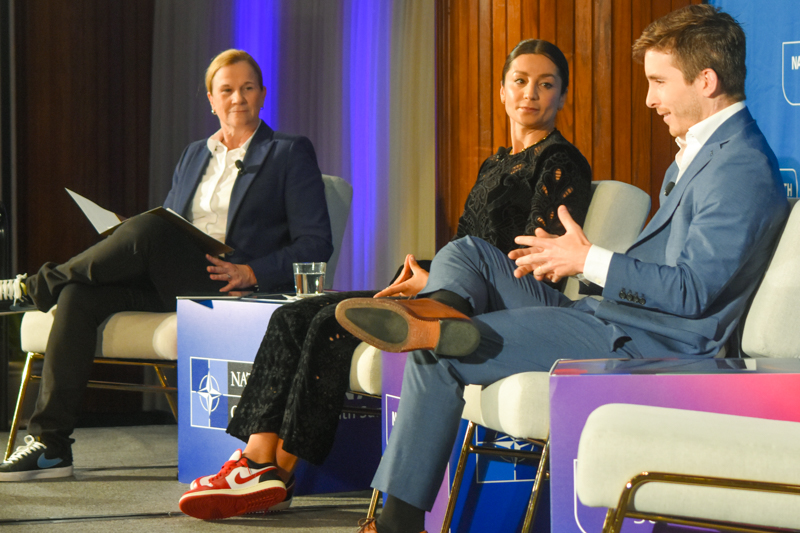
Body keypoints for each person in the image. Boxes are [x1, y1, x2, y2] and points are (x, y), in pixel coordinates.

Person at [335, 6, 791, 533]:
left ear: (706, 81)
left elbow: (694, 291)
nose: (649, 99)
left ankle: (398, 522)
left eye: (658, 82)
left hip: (645, 342)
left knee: (439, 349)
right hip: (610, 316)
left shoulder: (739, 166)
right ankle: (443, 306)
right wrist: (580, 260)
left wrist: (590, 260)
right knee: (467, 253)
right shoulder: (707, 152)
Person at [177, 39, 593, 520]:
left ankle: (278, 471)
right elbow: (466, 242)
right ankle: (256, 458)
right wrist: (429, 274)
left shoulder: (561, 162)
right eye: (520, 82)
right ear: (501, 92)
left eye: (546, 85)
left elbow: (538, 257)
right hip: (460, 288)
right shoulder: (494, 163)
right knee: (297, 315)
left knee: (332, 324)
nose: (530, 94)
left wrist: (451, 275)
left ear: (562, 96)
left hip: (514, 301)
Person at [0, 49, 333, 483]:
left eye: (248, 88)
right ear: (211, 100)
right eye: (226, 90)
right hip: (172, 279)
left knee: (149, 232)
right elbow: (172, 227)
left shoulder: (288, 152)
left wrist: (251, 272)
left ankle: (33, 287)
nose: (238, 99)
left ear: (263, 95)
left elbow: (316, 242)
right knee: (80, 293)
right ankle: (51, 446)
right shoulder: (194, 154)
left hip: (228, 284)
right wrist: (131, 237)